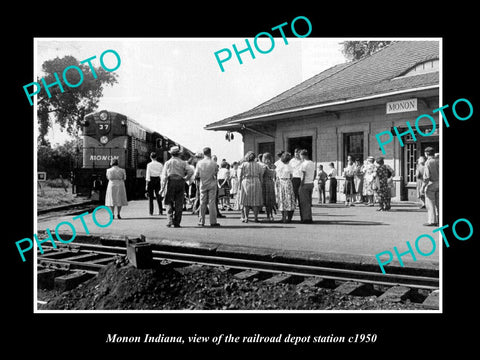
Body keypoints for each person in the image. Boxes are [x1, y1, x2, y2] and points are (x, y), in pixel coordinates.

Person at [161, 146, 193, 228]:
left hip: (171, 182)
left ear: (171, 154)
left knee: (168, 201)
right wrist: (186, 178)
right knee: (179, 202)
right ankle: (177, 222)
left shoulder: (168, 163)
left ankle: (169, 220)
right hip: (180, 182)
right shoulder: (183, 162)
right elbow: (190, 171)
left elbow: (164, 176)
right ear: (179, 154)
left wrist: (162, 188)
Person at [194, 147, 221, 227]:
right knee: (212, 202)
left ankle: (201, 221)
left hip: (203, 183)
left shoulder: (199, 163)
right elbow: (216, 173)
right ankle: (213, 221)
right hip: (212, 183)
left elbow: (196, 175)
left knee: (202, 202)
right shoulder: (214, 163)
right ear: (210, 153)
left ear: (203, 153)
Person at [239, 151, 265, 222]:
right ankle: (256, 217)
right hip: (256, 181)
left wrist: (239, 185)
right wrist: (261, 184)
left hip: (246, 181)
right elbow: (261, 175)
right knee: (255, 202)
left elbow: (240, 176)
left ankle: (246, 217)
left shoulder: (244, 164)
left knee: (246, 202)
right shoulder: (258, 165)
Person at [275, 152, 296, 223]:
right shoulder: (290, 166)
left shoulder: (279, 165)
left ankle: (283, 217)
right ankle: (288, 218)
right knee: (289, 199)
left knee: (282, 199)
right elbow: (291, 176)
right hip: (287, 182)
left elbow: (276, 176)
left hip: (281, 182)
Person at [422, 147, 439, 226]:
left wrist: (422, 187)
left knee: (430, 203)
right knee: (439, 203)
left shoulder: (428, 162)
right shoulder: (438, 160)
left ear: (426, 154)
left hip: (431, 184)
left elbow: (426, 177)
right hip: (439, 183)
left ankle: (432, 221)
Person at [298, 149, 315, 223]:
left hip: (305, 183)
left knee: (303, 202)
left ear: (303, 156)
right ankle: (309, 217)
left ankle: (305, 218)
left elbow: (303, 175)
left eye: (300, 156)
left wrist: (301, 184)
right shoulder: (312, 163)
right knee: (308, 201)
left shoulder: (304, 164)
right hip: (311, 183)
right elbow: (314, 173)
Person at [261, 153, 277, 222]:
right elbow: (274, 175)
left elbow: (261, 175)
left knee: (267, 201)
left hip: (265, 183)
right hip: (271, 183)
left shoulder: (264, 166)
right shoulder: (273, 166)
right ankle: (271, 215)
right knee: (270, 200)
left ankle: (268, 216)